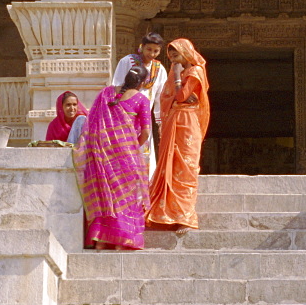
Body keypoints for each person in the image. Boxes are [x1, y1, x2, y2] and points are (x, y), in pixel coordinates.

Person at [73, 65, 151, 251]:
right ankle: (121, 242)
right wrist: (132, 146)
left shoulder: (106, 93)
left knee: (106, 197)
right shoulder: (141, 99)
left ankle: (100, 241)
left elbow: (91, 125)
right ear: (143, 83)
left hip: (103, 156)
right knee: (126, 200)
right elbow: (146, 132)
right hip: (126, 157)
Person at [146, 39, 209, 231]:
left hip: (188, 122)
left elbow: (181, 97)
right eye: (171, 57)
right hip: (174, 120)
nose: (173, 60)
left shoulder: (195, 71)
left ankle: (185, 216)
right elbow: (167, 97)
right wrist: (177, 87)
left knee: (186, 167)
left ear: (186, 53)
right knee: (172, 167)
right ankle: (166, 214)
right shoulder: (180, 73)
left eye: (176, 56)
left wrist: (176, 77)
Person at [113, 33, 167, 178]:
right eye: (149, 49)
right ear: (142, 47)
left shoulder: (159, 69)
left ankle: (143, 193)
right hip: (124, 117)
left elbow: (160, 97)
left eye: (156, 51)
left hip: (144, 118)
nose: (152, 54)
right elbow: (117, 86)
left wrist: (160, 121)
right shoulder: (127, 61)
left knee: (144, 155)